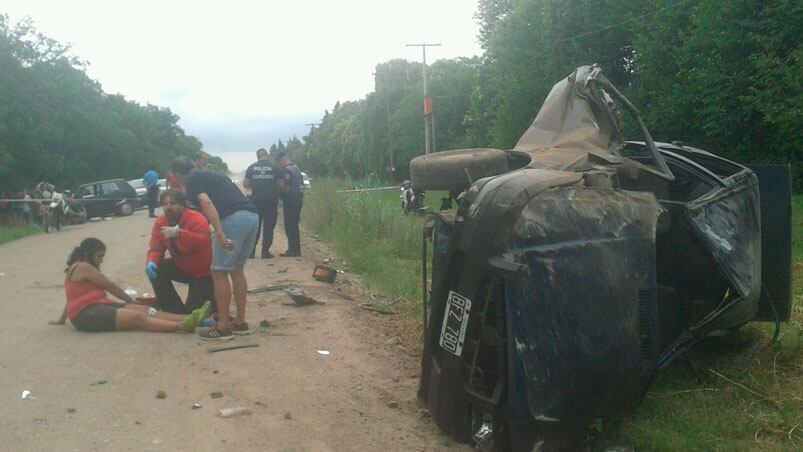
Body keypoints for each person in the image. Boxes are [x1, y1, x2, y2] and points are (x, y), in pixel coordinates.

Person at [170, 156, 259, 341]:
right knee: (237, 270)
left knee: (218, 272)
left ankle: (224, 326)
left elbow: (206, 203)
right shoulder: (213, 175)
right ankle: (240, 323)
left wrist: (220, 234)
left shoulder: (192, 180)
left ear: (178, 174)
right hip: (251, 217)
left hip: (232, 220)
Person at [50, 238, 210, 333]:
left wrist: (62, 319)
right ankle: (180, 326)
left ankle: (193, 318)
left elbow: (71, 299)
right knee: (137, 316)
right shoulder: (83, 266)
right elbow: (111, 287)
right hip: (86, 315)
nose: (101, 260)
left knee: (147, 310)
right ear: (88, 254)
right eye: (99, 256)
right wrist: (130, 301)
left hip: (97, 307)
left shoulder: (81, 266)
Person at [146, 190, 214, 314]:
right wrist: (151, 261)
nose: (168, 207)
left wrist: (180, 234)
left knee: (193, 312)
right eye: (165, 204)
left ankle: (211, 299)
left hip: (203, 273)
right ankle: (173, 308)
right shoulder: (161, 222)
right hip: (182, 266)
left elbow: (204, 242)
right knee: (156, 268)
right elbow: (156, 248)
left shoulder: (196, 218)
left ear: (183, 205)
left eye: (173, 203)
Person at [243, 148, 285, 258]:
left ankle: (251, 252)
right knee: (269, 226)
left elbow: (246, 184)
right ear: (267, 155)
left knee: (255, 226)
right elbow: (281, 185)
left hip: (256, 201)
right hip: (271, 201)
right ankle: (265, 252)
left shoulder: (252, 167)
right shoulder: (276, 166)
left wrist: (257, 183)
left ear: (257, 156)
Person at [276, 151, 303, 257]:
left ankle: (293, 250)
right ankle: (295, 249)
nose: (280, 165)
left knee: (290, 225)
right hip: (298, 198)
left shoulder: (287, 170)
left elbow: (286, 187)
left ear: (282, 159)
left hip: (290, 200)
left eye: (279, 163)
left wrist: (278, 190)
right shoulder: (296, 168)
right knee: (294, 224)